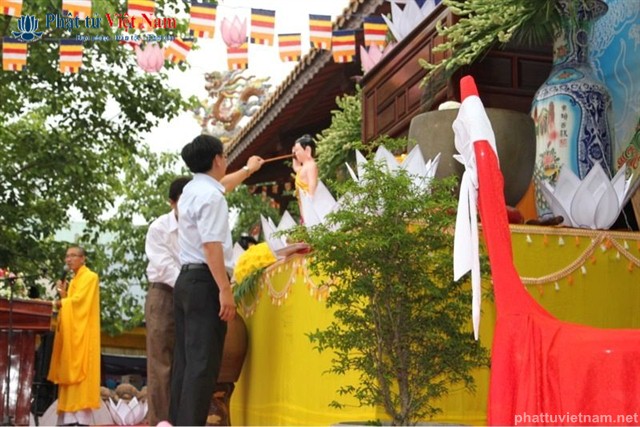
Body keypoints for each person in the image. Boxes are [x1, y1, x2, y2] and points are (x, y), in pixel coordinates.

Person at [145, 156, 263, 426]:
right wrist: (207, 285)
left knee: (188, 360)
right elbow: (166, 265)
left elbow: (222, 185)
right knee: (164, 363)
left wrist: (248, 169)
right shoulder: (160, 227)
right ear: (173, 202)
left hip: (190, 286)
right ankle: (161, 421)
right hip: (166, 292)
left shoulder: (199, 200)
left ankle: (179, 420)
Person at [47, 246, 101, 426]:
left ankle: (80, 420)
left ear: (83, 258)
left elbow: (79, 304)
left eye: (73, 256)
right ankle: (69, 419)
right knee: (68, 372)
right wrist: (63, 294)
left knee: (81, 378)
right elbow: (70, 304)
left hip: (83, 336)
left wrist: (60, 302)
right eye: (67, 256)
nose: (68, 260)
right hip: (72, 336)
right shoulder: (74, 280)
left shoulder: (90, 277)